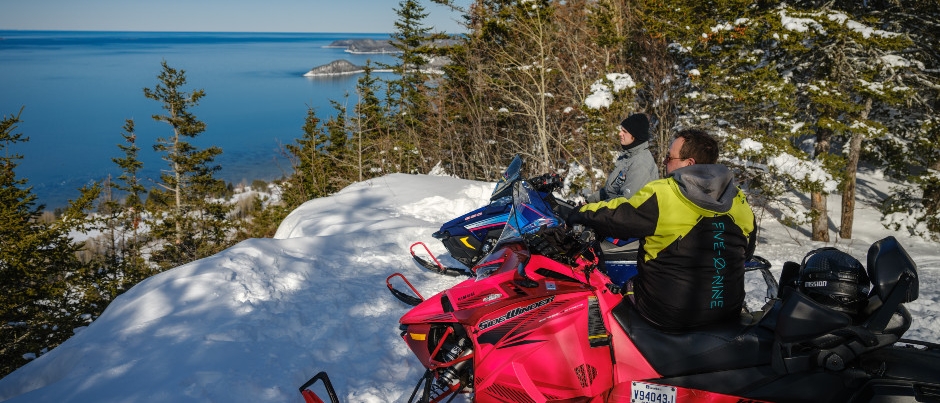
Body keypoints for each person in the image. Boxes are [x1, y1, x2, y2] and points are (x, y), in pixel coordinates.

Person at [568, 129, 757, 331]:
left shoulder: (664, 193)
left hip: (668, 315)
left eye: (669, 157)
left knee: (610, 293)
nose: (665, 162)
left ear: (689, 163)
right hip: (726, 312)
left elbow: (617, 215)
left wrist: (577, 212)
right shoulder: (739, 200)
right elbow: (747, 252)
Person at [587, 113, 658, 203]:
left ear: (636, 135)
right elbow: (608, 191)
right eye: (621, 130)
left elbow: (624, 202)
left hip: (625, 214)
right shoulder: (627, 157)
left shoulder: (641, 163)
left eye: (624, 131)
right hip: (611, 210)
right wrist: (588, 201)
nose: (620, 133)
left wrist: (592, 210)